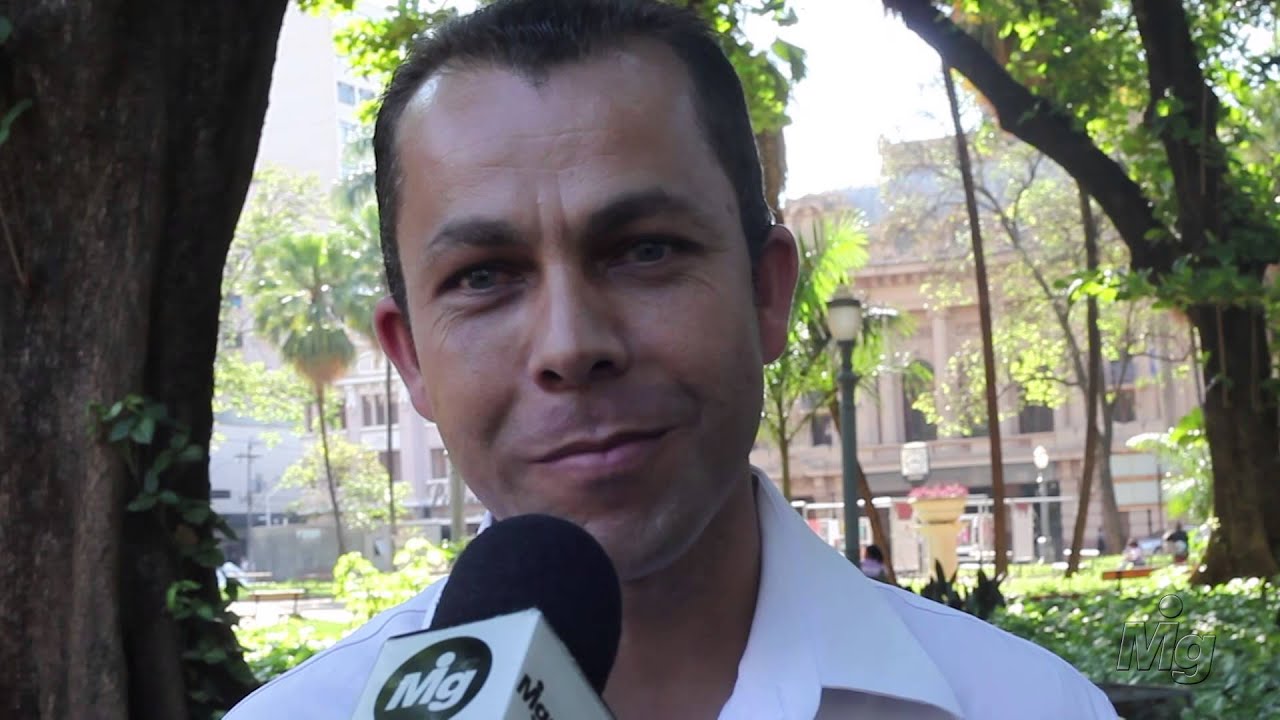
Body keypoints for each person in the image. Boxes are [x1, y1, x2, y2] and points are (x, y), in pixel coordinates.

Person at [227, 1, 1118, 717]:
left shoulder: (1029, 707)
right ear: (411, 357)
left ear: (767, 294)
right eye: (485, 276)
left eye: (645, 251)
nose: (571, 346)